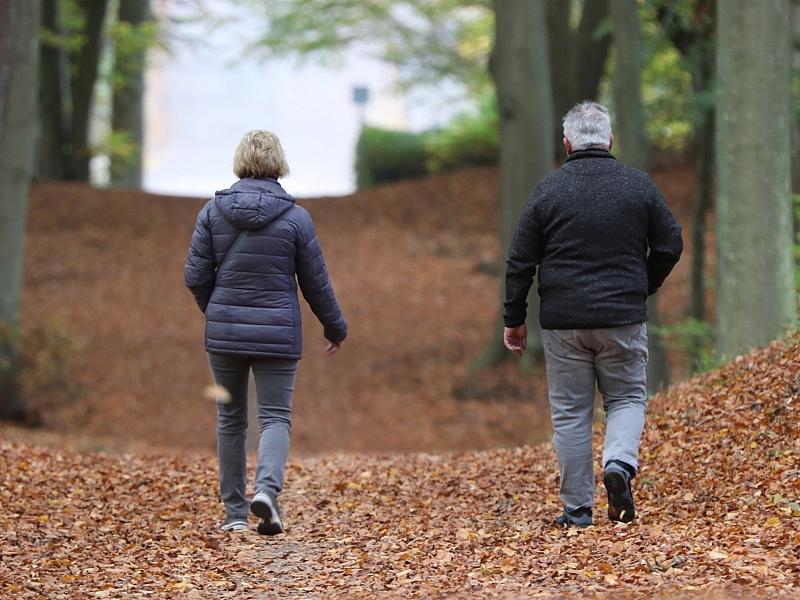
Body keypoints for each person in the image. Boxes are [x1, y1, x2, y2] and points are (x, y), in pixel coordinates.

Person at [502, 101, 683, 527]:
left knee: (570, 413)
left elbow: (519, 261)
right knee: (627, 398)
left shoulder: (547, 191)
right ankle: (619, 463)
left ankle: (577, 510)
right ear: (610, 140)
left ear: (566, 144)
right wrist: (643, 284)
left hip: (563, 323)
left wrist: (514, 318)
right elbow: (671, 243)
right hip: (622, 318)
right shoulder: (638, 187)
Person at [184, 130, 347, 534]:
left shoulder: (212, 212)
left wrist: (218, 311)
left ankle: (235, 514)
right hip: (277, 333)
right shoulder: (295, 219)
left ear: (240, 161)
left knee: (230, 418)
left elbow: (195, 276)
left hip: (225, 333)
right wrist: (335, 326)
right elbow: (316, 283)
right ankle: (267, 493)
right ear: (279, 163)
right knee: (274, 416)